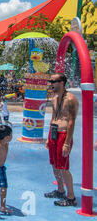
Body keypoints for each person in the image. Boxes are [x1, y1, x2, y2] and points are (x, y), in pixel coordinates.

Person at [44, 73, 79, 207]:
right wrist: (48, 138)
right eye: (50, 81)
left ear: (62, 82)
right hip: (54, 134)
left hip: (64, 135)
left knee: (63, 167)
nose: (51, 83)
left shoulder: (70, 99)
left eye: (53, 81)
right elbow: (53, 119)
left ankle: (71, 198)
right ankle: (60, 190)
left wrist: (66, 143)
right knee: (54, 164)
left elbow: (71, 122)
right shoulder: (54, 99)